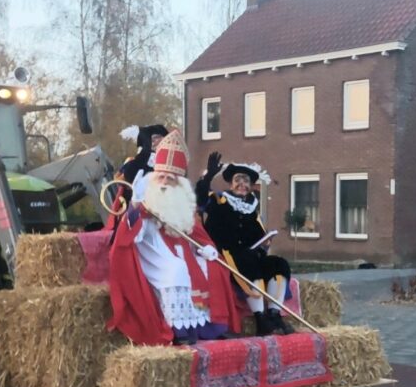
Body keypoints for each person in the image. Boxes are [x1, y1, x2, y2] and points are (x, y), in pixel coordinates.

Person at [107, 130, 241, 346]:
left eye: (171, 178)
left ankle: (207, 326)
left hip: (183, 248)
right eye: (162, 176)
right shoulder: (146, 196)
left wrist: (207, 248)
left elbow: (195, 231)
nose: (165, 181)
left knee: (213, 266)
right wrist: (137, 210)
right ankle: (179, 329)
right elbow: (132, 234)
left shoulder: (181, 199)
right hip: (153, 249)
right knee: (177, 269)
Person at [196, 152, 295, 336]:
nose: (242, 183)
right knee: (248, 261)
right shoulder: (218, 200)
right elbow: (199, 199)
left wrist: (265, 241)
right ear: (231, 183)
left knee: (278, 264)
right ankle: (260, 319)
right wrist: (209, 175)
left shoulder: (253, 208)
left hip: (251, 255)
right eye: (238, 179)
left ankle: (274, 314)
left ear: (250, 186)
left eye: (246, 180)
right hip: (226, 255)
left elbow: (257, 236)